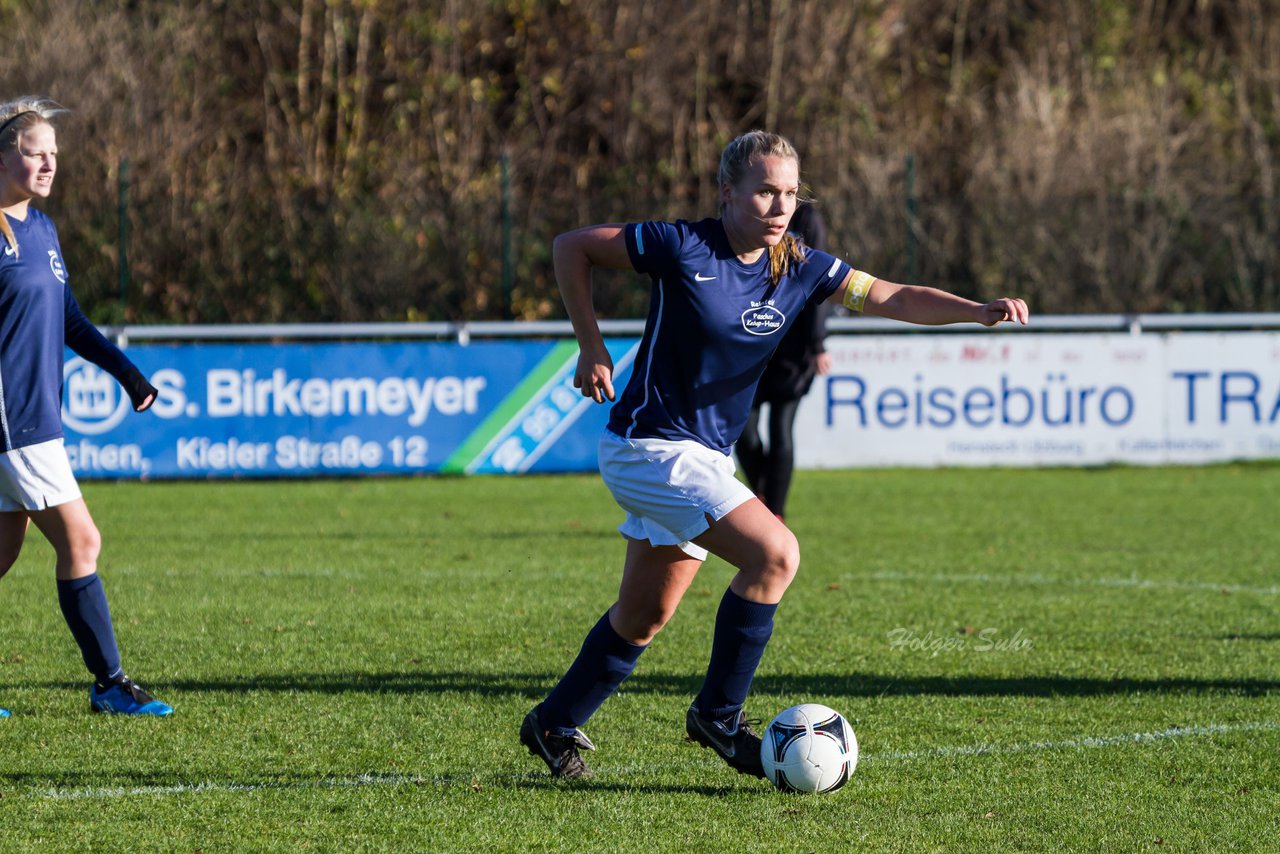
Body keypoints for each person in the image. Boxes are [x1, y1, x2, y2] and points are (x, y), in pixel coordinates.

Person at [519, 130, 1027, 779]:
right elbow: (573, 247)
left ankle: (554, 723)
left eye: (788, 192)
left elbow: (892, 296)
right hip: (647, 450)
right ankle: (719, 717)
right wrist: (591, 348)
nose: (778, 204)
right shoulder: (682, 245)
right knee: (776, 553)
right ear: (728, 192)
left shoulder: (800, 265)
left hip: (703, 459)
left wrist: (976, 311)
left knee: (644, 614)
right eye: (764, 190)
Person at [0, 97, 172, 717]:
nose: (48, 164)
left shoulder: (41, 229)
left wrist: (126, 372)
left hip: (33, 418)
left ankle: (108, 686)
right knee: (83, 541)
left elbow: (68, 318)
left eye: (53, 155)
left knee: (2, 554)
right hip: (13, 424)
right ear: (4, 155)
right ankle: (109, 683)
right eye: (34, 153)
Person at [734, 200, 831, 520]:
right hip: (752, 344)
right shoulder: (744, 213)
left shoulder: (806, 219)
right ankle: (762, 491)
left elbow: (819, 282)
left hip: (794, 348)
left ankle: (774, 512)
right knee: (744, 433)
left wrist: (817, 343)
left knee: (781, 430)